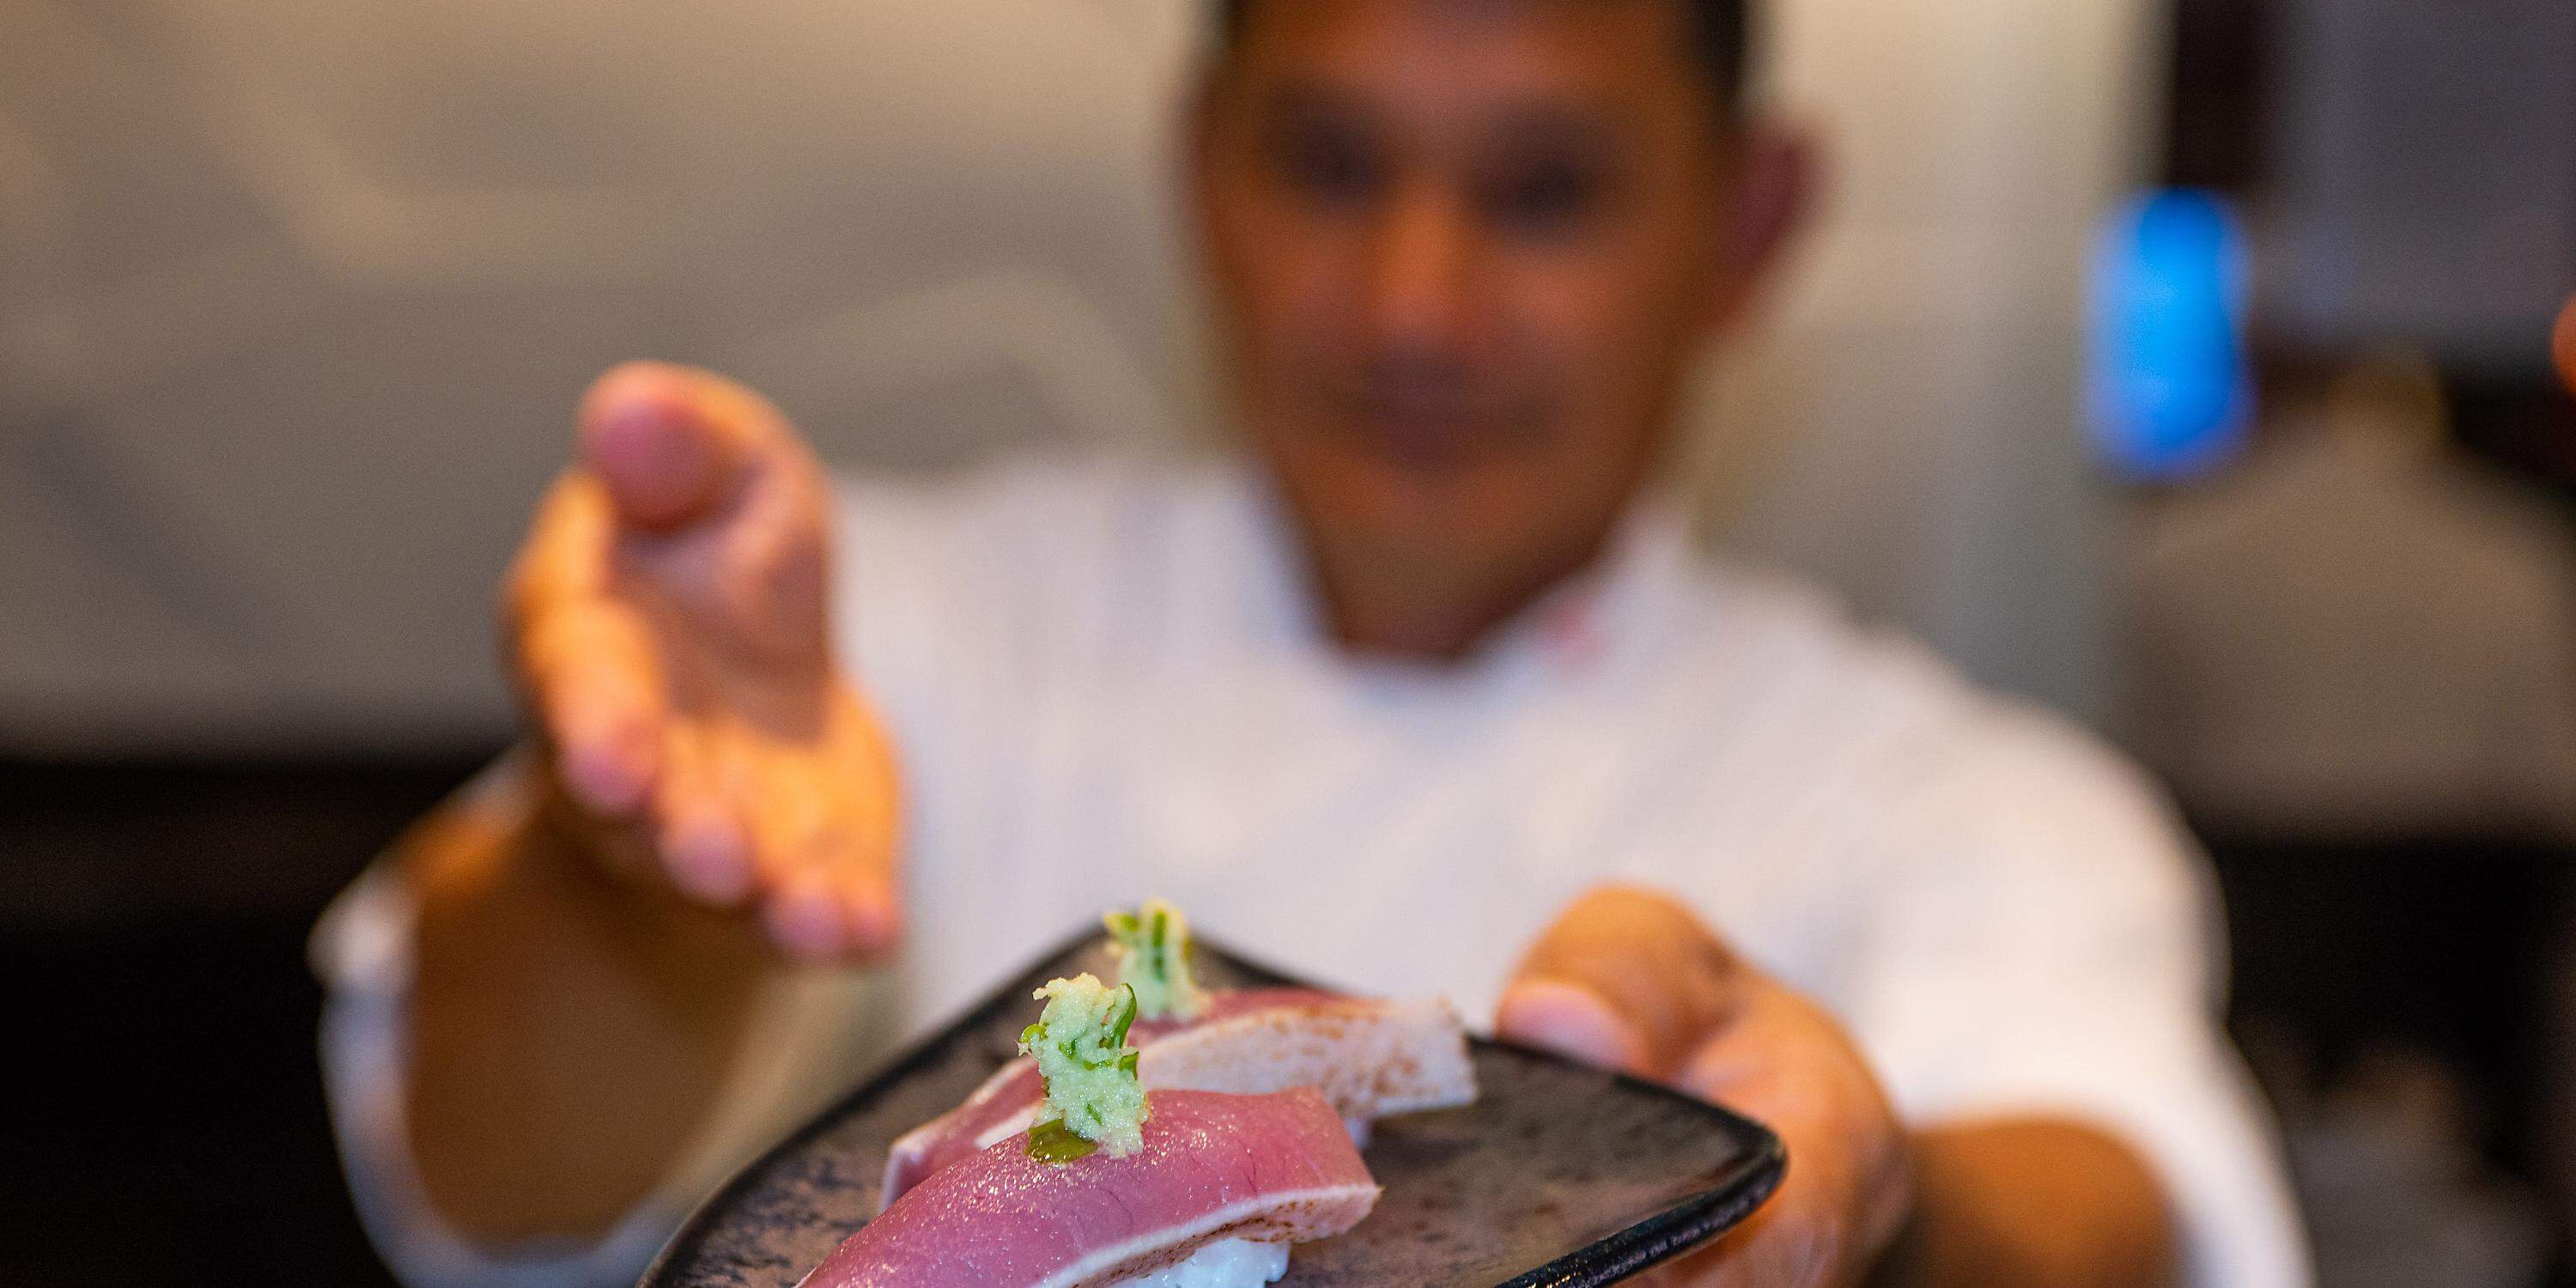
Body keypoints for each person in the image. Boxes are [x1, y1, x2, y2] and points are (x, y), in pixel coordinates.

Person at [313, 1, 2310, 1285]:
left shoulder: (1961, 793)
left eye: (1544, 193)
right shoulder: (887, 625)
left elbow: (2109, 1194)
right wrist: (639, 860)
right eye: (1332, 166)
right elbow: (488, 1174)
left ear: (1744, 226)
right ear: (1203, 169)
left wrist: (1866, 1195)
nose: (1414, 307)